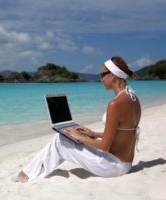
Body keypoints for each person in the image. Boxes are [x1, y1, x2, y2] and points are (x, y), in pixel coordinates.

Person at [12, 56, 141, 183]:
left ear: (112, 75)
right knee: (67, 137)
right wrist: (93, 134)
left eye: (102, 75)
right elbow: (124, 133)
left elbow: (105, 146)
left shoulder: (115, 104)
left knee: (60, 140)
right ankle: (30, 172)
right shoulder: (133, 98)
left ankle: (26, 174)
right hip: (126, 164)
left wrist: (78, 137)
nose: (100, 79)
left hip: (112, 166)